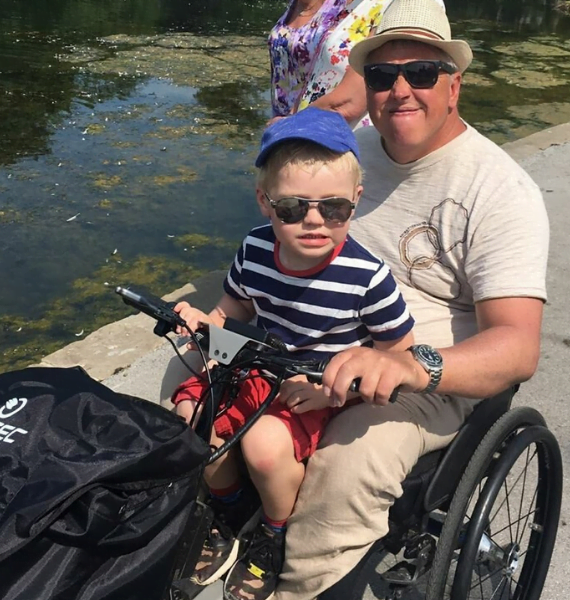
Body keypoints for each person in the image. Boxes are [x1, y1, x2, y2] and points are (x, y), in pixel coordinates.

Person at [271, 1, 551, 598]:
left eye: (421, 72)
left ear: (454, 84)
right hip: (307, 338)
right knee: (194, 378)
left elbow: (518, 346)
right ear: (365, 86)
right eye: (381, 75)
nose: (400, 89)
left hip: (421, 377)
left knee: (349, 463)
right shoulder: (347, 158)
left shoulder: (498, 190)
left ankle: (309, 586)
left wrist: (410, 363)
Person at [167, 107, 416, 600]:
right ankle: (228, 507)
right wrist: (204, 326)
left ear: (356, 203)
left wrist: (332, 392)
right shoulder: (256, 249)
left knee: (261, 445)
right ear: (265, 203)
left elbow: (396, 355)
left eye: (334, 208)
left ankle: (273, 534)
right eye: (292, 208)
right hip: (258, 363)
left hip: (318, 384)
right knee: (193, 414)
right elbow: (232, 310)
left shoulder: (366, 276)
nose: (315, 221)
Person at [268, 0, 444, 128]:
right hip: (307, 133)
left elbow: (350, 103)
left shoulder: (406, 6)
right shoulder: (350, 5)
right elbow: (315, 74)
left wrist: (288, 127)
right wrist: (288, 119)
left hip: (347, 142)